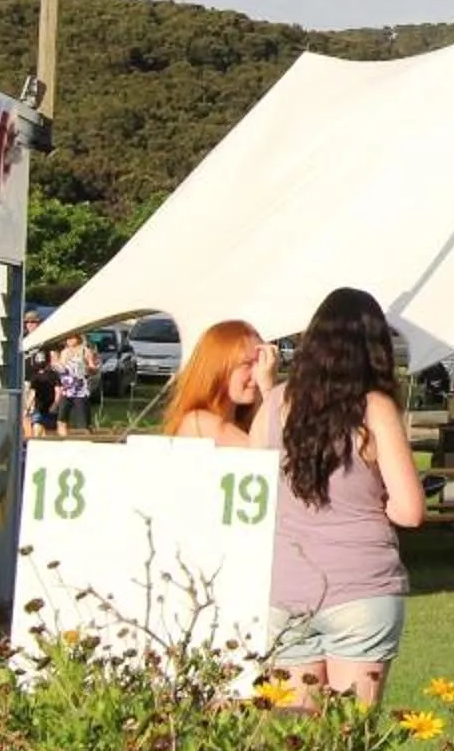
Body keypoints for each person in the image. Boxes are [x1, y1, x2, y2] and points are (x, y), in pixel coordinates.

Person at [267, 287, 427, 708]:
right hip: (361, 587)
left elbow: (253, 494)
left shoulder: (273, 403)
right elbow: (409, 510)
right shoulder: (374, 408)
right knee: (349, 745)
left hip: (285, 587)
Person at [164, 320, 274, 446]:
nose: (259, 374)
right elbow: (268, 453)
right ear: (218, 368)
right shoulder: (198, 421)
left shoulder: (242, 424)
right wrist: (268, 389)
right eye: (247, 364)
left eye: (260, 363)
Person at [51, 332, 96, 436]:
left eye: (72, 337)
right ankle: (64, 440)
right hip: (66, 390)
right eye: (67, 338)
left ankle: (88, 439)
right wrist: (56, 365)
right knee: (61, 420)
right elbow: (61, 369)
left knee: (83, 423)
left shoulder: (85, 351)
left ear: (78, 338)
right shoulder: (64, 352)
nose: (69, 340)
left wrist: (87, 369)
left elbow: (93, 368)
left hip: (80, 391)